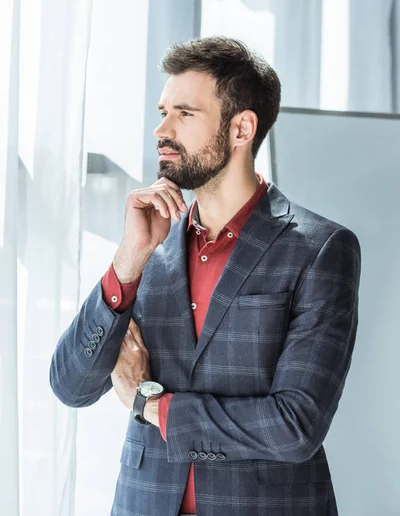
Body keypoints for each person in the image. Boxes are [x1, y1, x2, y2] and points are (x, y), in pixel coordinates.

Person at [50, 36, 361, 516]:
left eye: (185, 114)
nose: (161, 129)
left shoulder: (320, 249)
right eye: (163, 110)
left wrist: (150, 405)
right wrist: (127, 262)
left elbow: (296, 425)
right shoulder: (150, 244)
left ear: (241, 129)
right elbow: (72, 387)